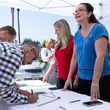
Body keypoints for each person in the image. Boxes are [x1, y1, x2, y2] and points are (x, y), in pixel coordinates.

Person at [64, 3, 110, 102]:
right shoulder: (77, 34)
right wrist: (69, 78)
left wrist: (95, 82)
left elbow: (100, 56)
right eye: (75, 11)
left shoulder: (98, 28)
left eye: (80, 10)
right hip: (82, 79)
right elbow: (74, 58)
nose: (77, 12)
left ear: (89, 13)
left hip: (101, 79)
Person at [43, 19, 77, 89]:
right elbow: (54, 61)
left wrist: (70, 77)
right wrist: (47, 75)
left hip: (71, 79)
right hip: (60, 78)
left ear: (63, 29)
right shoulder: (57, 44)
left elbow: (76, 60)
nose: (55, 33)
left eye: (57, 30)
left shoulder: (74, 40)